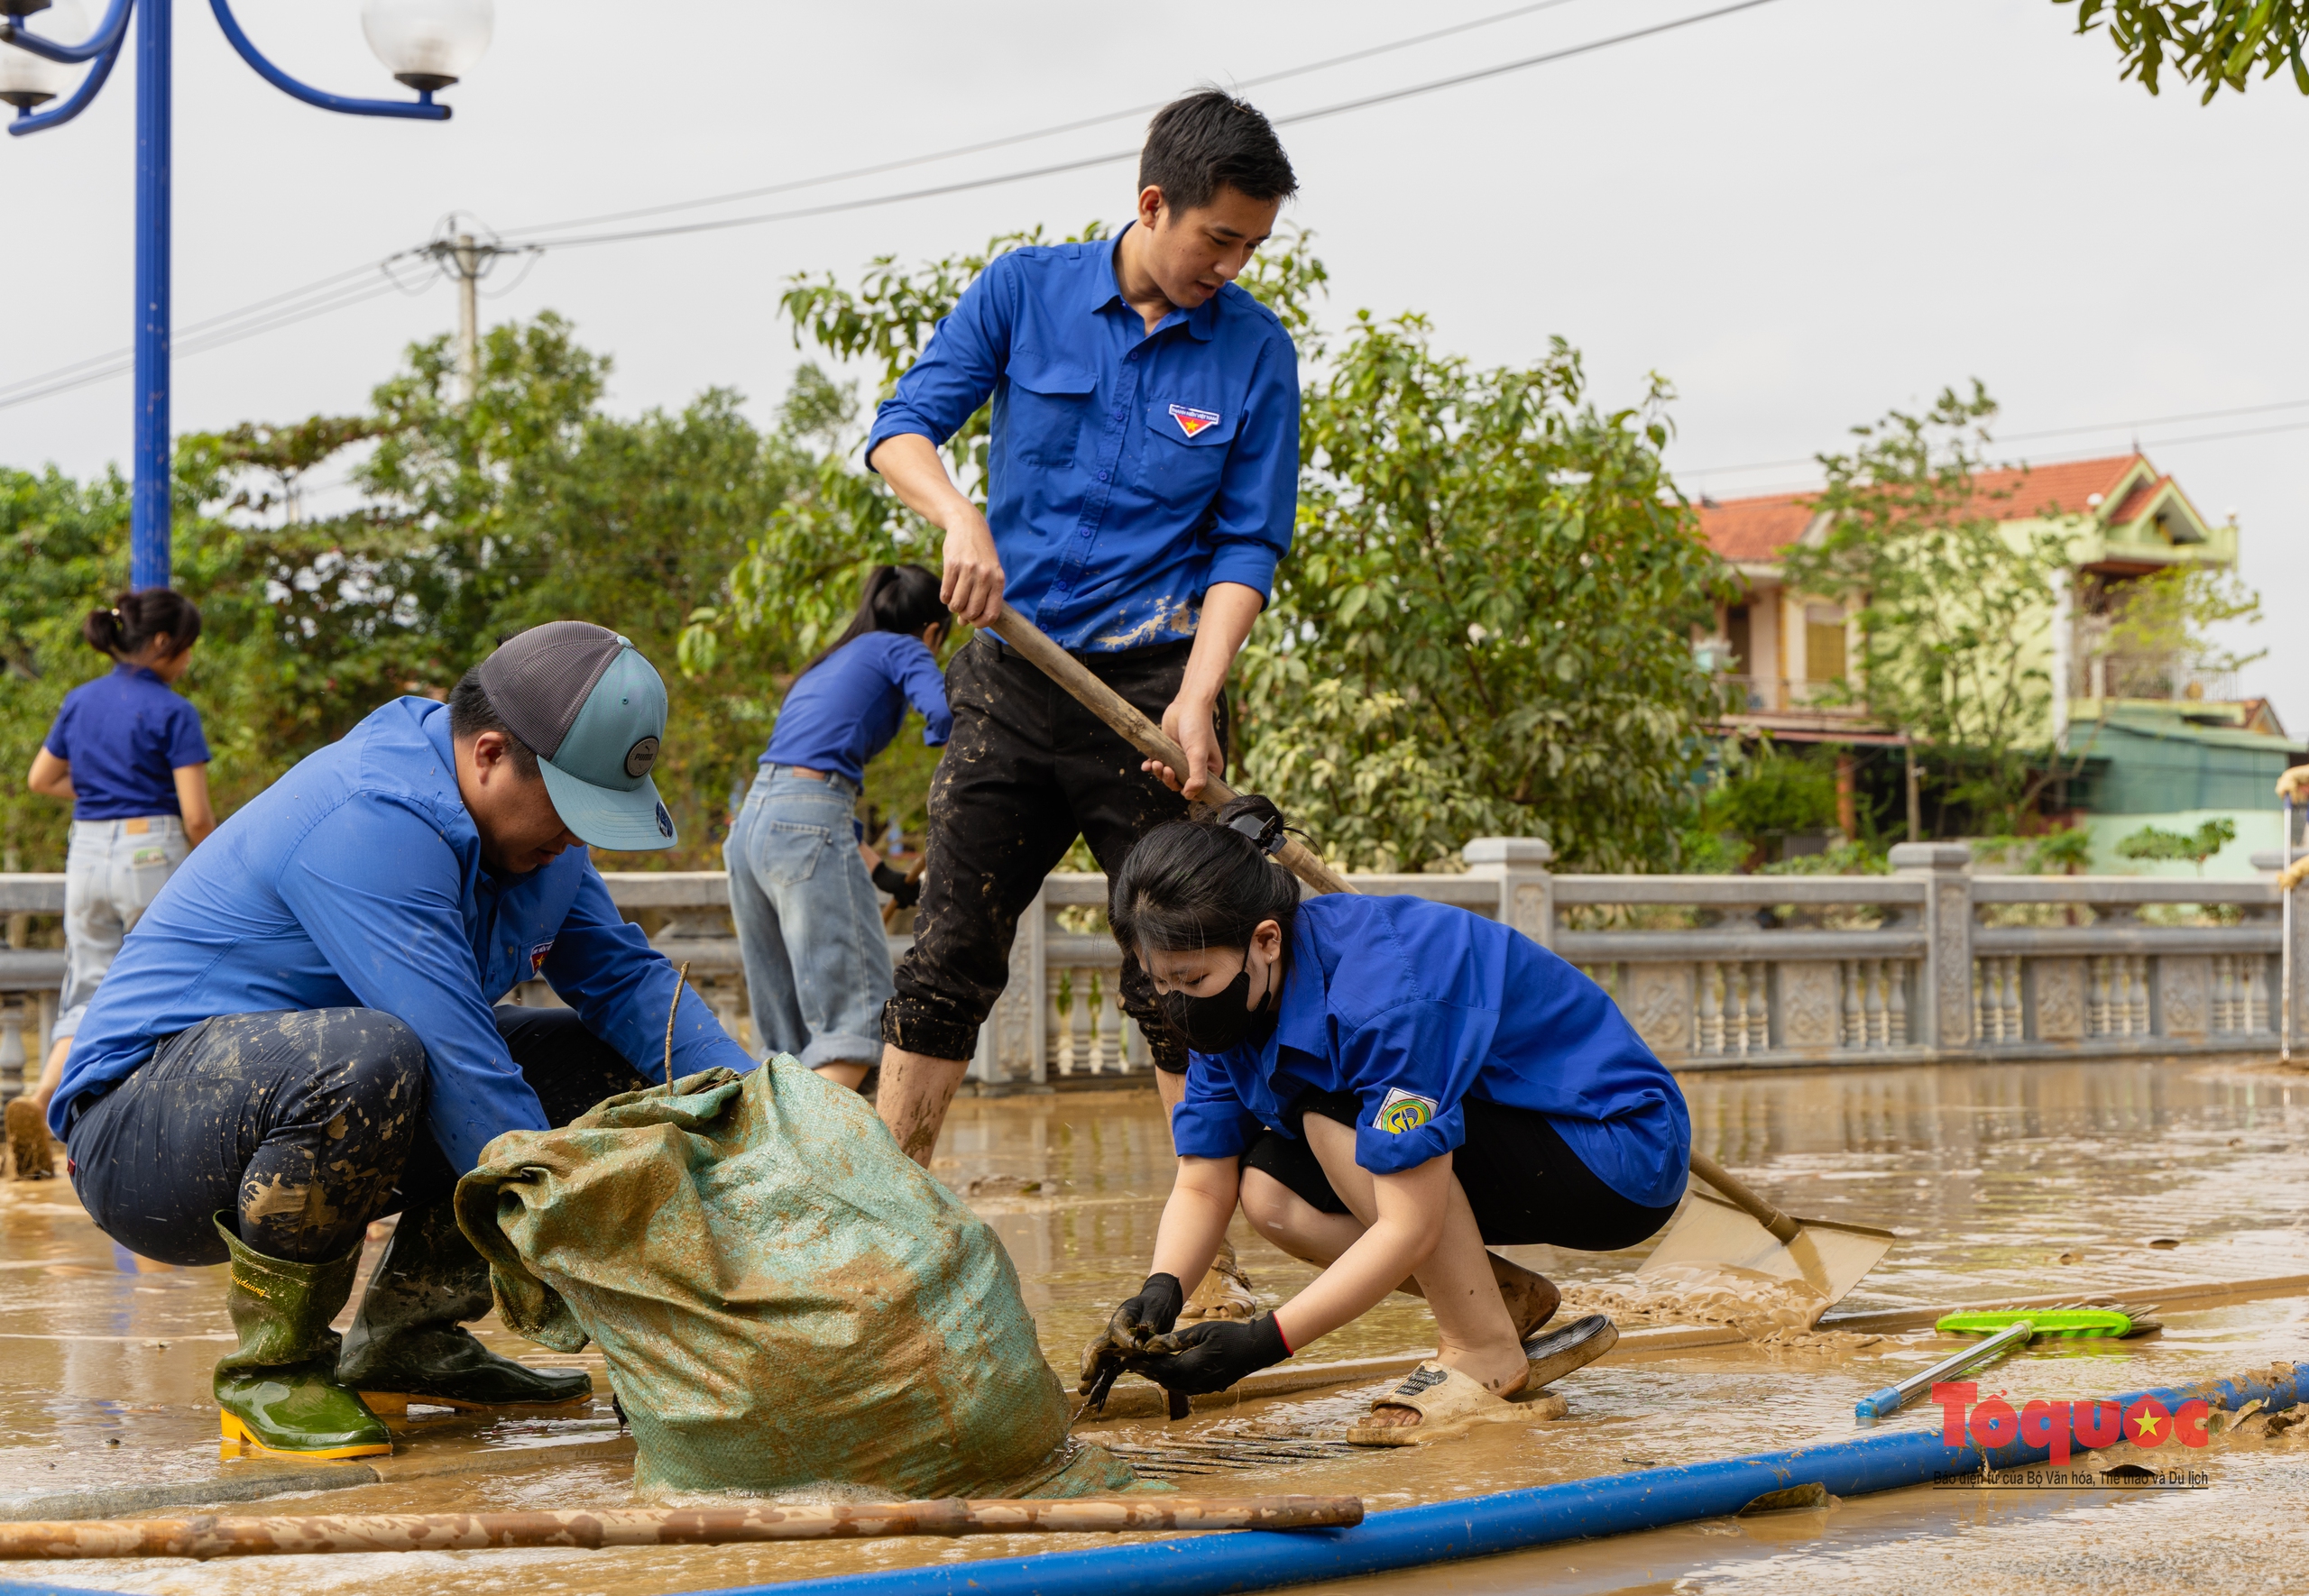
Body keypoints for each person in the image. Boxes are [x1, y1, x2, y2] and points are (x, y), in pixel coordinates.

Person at [50, 621, 760, 1461]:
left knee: (604, 1067)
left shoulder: (544, 851)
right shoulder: (368, 817)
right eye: (570, 809)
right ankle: (274, 1370)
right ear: (489, 753)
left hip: (330, 1088)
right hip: (142, 1134)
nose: (578, 837)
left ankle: (409, 1339)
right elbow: (461, 1065)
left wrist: (766, 1111)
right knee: (375, 1056)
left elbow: (632, 988)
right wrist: (614, 1292)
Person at [862, 91, 1299, 1285]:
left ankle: (1204, 1263)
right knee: (951, 953)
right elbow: (902, 427)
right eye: (1219, 237)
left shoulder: (1255, 351)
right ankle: (887, 1243)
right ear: (1153, 203)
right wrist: (958, 515)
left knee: (1181, 966)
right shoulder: (1025, 291)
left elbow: (1247, 546)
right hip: (1014, 678)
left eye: (1253, 245)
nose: (1233, 263)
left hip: (1156, 697)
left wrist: (1200, 696)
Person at [1083, 796, 1693, 1442]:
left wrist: (1265, 1342)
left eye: (1192, 980)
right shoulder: (1231, 1006)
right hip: (1501, 1140)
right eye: (1162, 984)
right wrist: (1160, 1292)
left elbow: (1408, 1224)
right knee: (1269, 1191)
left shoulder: (1380, 999)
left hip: (1612, 1151)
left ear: (1265, 941)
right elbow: (1205, 1179)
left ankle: (1482, 1348)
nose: (1178, 1003)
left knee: (1329, 1113)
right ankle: (1501, 1300)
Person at [11, 590, 216, 1182]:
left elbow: (40, 779)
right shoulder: (174, 711)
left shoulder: (80, 701)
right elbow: (197, 817)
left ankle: (45, 1092)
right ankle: (146, 1132)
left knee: (87, 981)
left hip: (88, 849)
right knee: (166, 983)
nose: (187, 661)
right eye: (185, 648)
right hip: (151, 848)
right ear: (160, 644)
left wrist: (104, 793)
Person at [727, 564, 951, 1086]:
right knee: (855, 1029)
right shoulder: (905, 648)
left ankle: (764, 1158)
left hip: (752, 828)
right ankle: (810, 1165)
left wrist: (882, 875)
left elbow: (806, 797)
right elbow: (942, 715)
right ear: (934, 631)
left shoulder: (830, 660)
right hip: (804, 821)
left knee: (787, 1043)